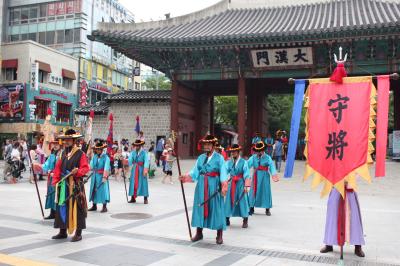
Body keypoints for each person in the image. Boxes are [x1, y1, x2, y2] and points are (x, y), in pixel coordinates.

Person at [180, 135, 228, 245]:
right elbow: (195, 172)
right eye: (205, 144)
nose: (206, 146)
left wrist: (224, 186)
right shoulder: (201, 158)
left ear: (213, 145)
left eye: (208, 144)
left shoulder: (219, 158)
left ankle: (219, 234)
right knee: (199, 207)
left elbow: (224, 173)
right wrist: (185, 177)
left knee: (217, 209)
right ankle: (199, 232)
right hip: (201, 186)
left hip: (214, 186)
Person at [51, 129, 90, 242]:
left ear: (73, 140)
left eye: (68, 140)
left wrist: (77, 172)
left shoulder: (80, 153)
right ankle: (62, 231)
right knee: (62, 205)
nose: (66, 142)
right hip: (63, 185)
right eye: (64, 140)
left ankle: (78, 233)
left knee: (78, 207)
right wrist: (55, 181)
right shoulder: (62, 153)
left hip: (75, 184)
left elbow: (85, 168)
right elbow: (58, 168)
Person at [320, 185, 365, 257]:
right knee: (332, 218)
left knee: (354, 219)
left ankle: (358, 246)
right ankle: (329, 244)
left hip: (349, 191)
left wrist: (348, 181)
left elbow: (356, 174)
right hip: (336, 190)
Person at [247, 141, 279, 216]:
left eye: (260, 151)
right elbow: (247, 165)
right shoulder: (253, 157)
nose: (258, 152)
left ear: (263, 150)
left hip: (264, 177)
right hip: (256, 177)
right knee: (253, 192)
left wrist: (274, 175)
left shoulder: (268, 157)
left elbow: (272, 166)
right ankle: (251, 208)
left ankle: (267, 209)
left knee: (266, 192)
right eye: (257, 151)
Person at [224, 144, 251, 228]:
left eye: (234, 152)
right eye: (232, 152)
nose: (233, 153)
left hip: (240, 183)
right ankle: (226, 218)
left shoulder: (244, 162)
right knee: (228, 200)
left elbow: (247, 174)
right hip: (232, 183)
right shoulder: (229, 162)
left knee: (243, 201)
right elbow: (224, 172)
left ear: (238, 152)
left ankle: (245, 219)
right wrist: (222, 181)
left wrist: (247, 185)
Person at [88, 141, 111, 213]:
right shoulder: (94, 157)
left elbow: (106, 167)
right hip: (94, 176)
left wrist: (104, 177)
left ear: (102, 150)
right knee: (94, 190)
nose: (97, 151)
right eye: (96, 149)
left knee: (103, 191)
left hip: (102, 176)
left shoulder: (106, 157)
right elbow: (91, 166)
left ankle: (104, 206)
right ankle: (94, 205)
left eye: (99, 149)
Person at [42, 140, 62, 219]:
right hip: (51, 177)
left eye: (57, 144)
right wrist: (43, 167)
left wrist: (56, 173)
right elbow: (47, 164)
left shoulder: (62, 154)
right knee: (51, 194)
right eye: (54, 144)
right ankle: (52, 213)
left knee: (57, 195)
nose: (55, 145)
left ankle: (58, 214)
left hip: (58, 178)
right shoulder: (52, 154)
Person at [128, 139, 150, 204]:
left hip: (141, 169)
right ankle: (133, 198)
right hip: (134, 169)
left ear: (140, 145)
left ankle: (145, 198)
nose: (136, 147)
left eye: (138, 146)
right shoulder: (133, 152)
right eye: (136, 146)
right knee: (133, 183)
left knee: (143, 183)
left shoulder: (144, 153)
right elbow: (130, 160)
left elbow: (146, 161)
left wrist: (145, 170)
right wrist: (124, 160)